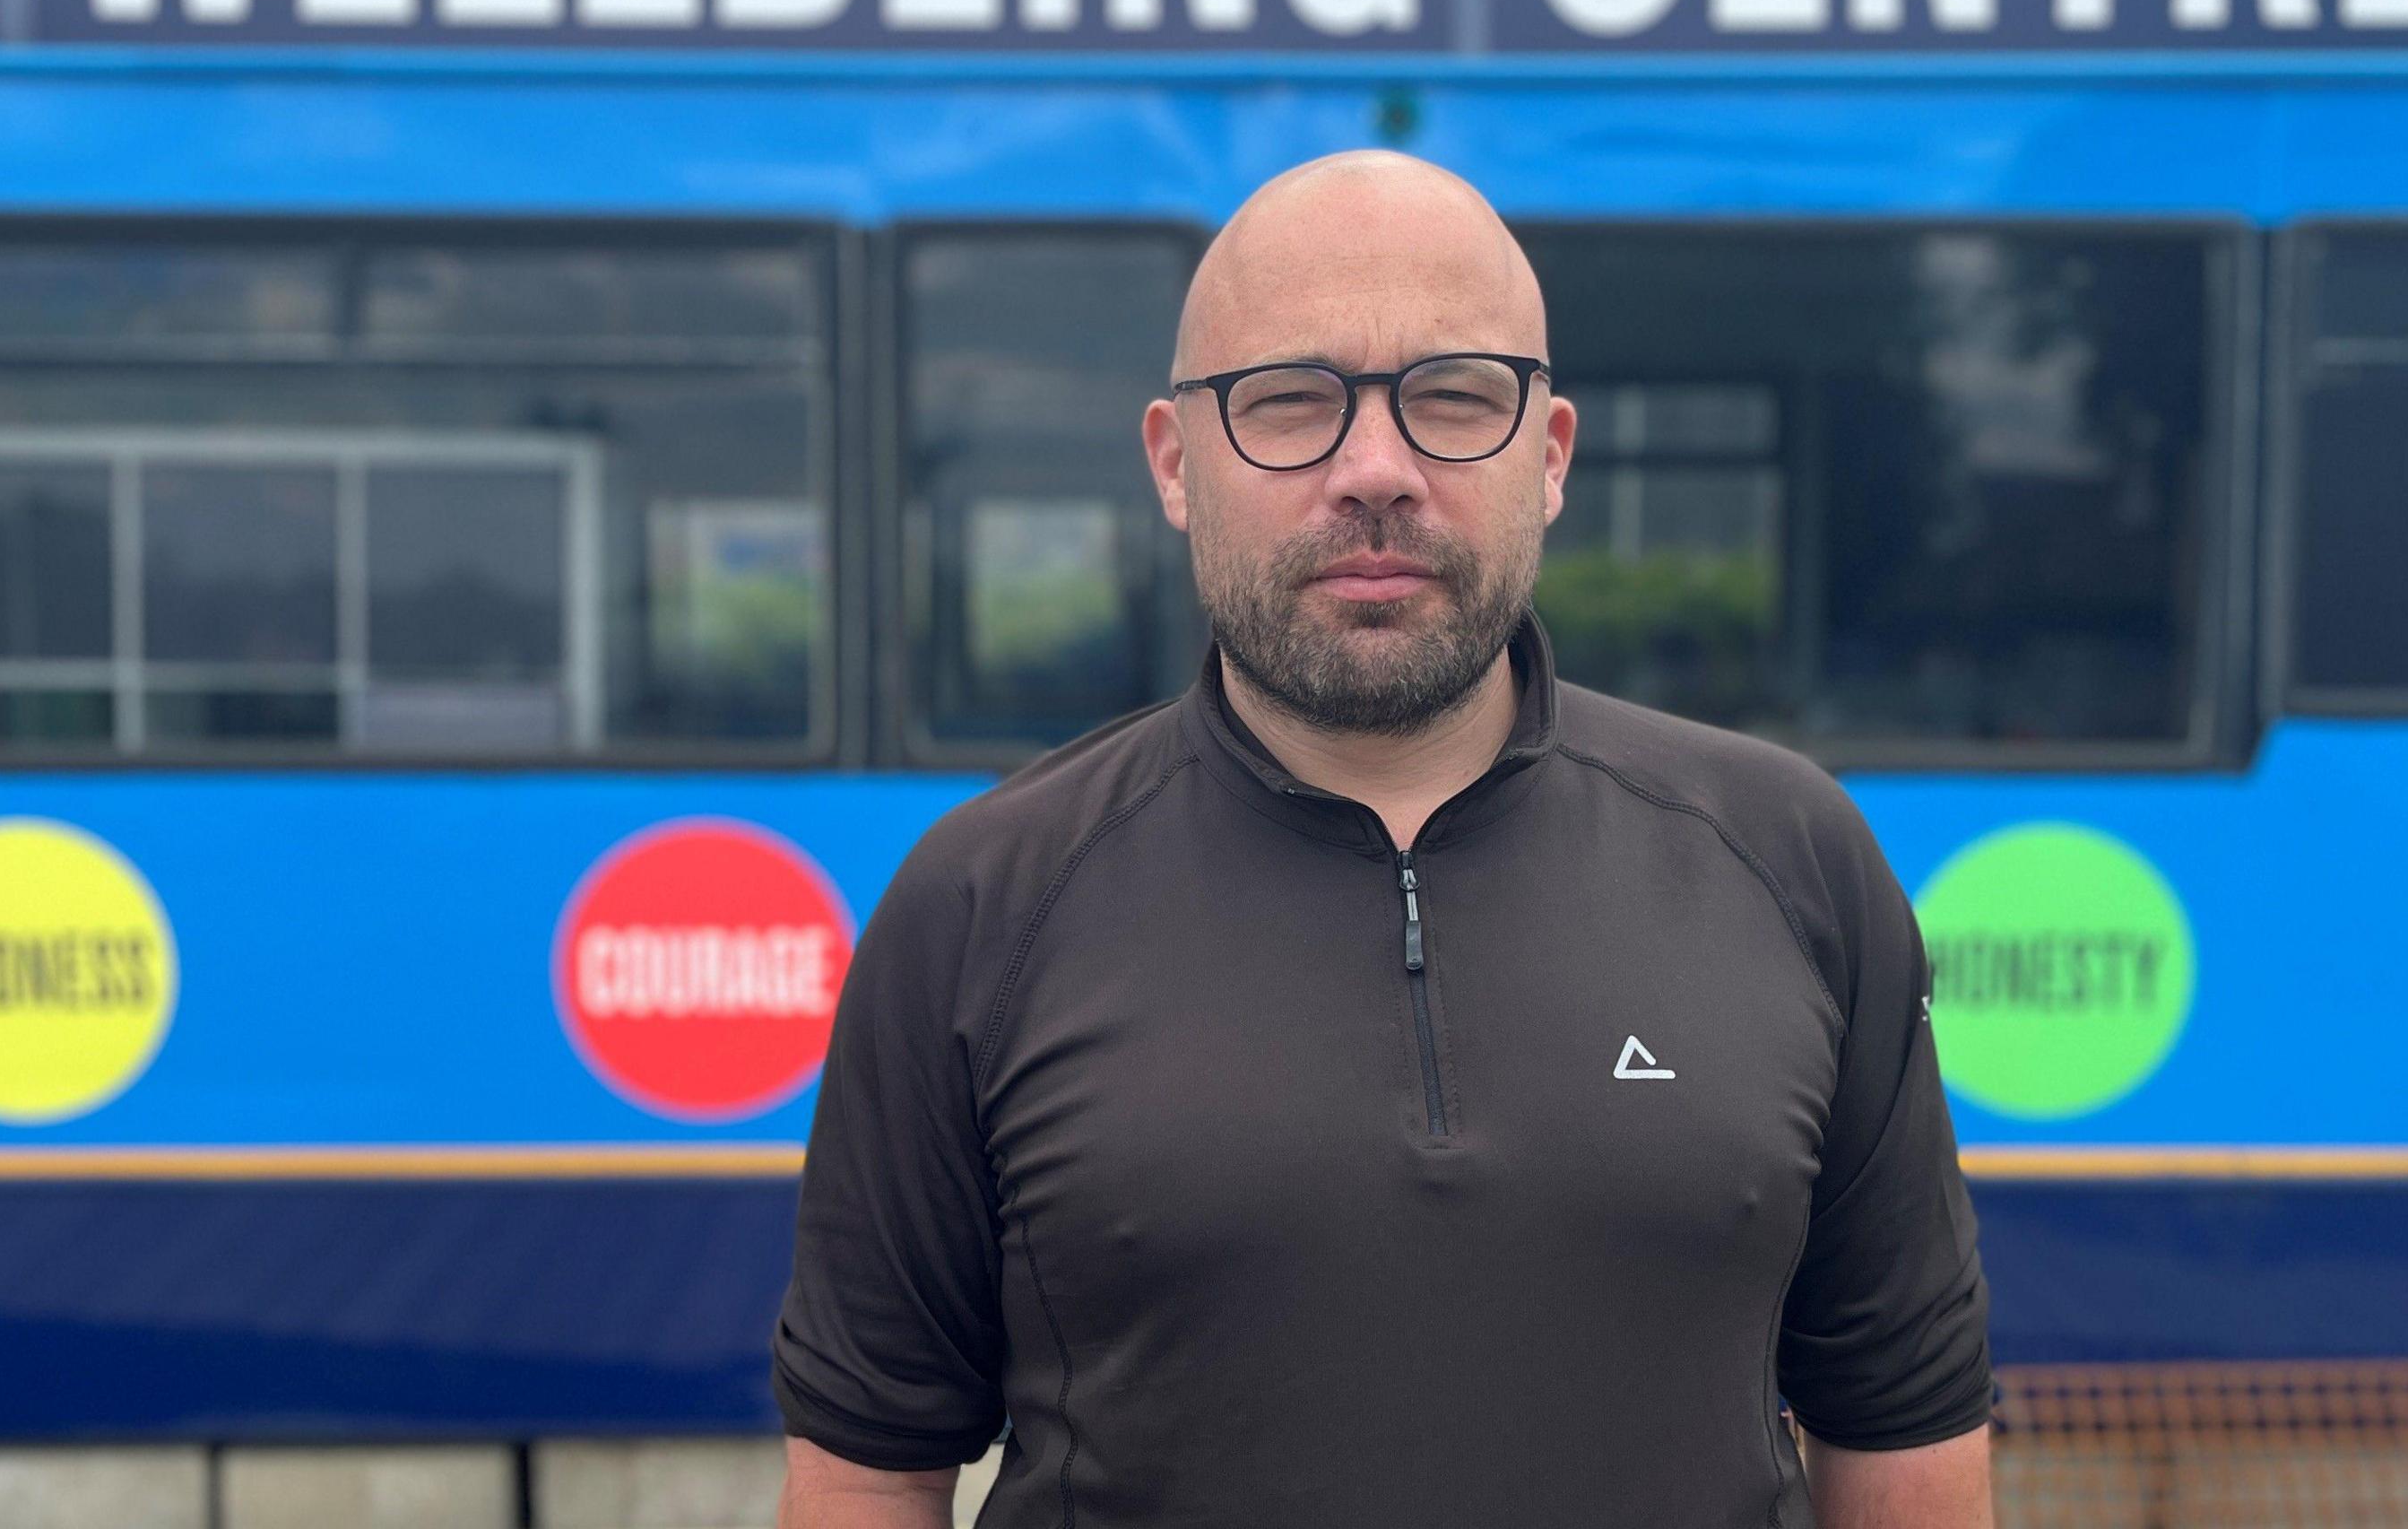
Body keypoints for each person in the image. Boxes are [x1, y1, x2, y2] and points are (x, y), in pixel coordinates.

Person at [772, 152, 1993, 1528]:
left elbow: (1906, 1445)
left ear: (1550, 456)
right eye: (1289, 402)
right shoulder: (981, 907)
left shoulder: (1794, 864)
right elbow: (868, 1474)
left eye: (1455, 398)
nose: (1376, 471)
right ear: (1176, 464)